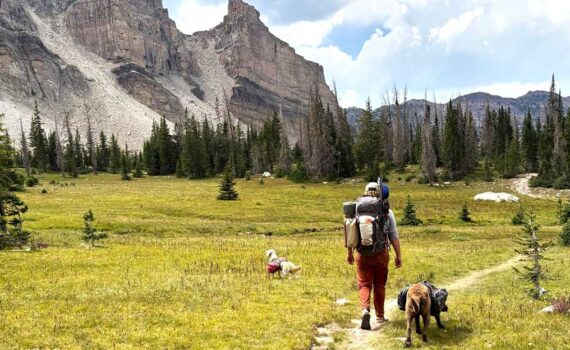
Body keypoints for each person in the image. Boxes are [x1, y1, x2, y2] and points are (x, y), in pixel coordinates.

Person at [347, 182, 402, 330]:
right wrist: (398, 256)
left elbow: (350, 232)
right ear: (379, 192)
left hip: (361, 254)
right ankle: (380, 316)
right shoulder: (385, 210)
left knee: (364, 284)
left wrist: (349, 253)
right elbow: (393, 236)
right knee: (379, 285)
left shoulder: (356, 208)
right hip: (381, 254)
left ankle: (365, 310)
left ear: (365, 191)